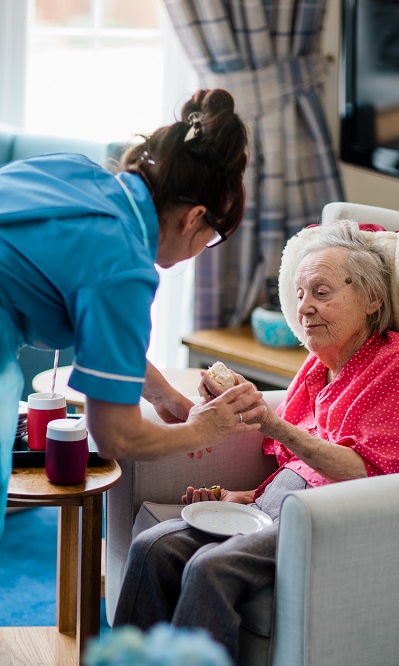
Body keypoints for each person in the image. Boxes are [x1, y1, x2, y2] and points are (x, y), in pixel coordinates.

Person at [113, 222, 399, 662]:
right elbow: (295, 467)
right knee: (154, 546)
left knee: (209, 569)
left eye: (322, 292)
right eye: (299, 294)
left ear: (372, 299)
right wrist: (245, 497)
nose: (304, 308)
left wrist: (272, 424)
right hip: (277, 512)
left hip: (338, 519)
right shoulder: (315, 369)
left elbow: (367, 472)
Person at [0, 89, 265, 536]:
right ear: (194, 217)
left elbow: (102, 334)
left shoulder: (78, 173)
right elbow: (115, 436)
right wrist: (205, 428)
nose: (203, 249)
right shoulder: (125, 266)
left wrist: (163, 396)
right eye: (213, 236)